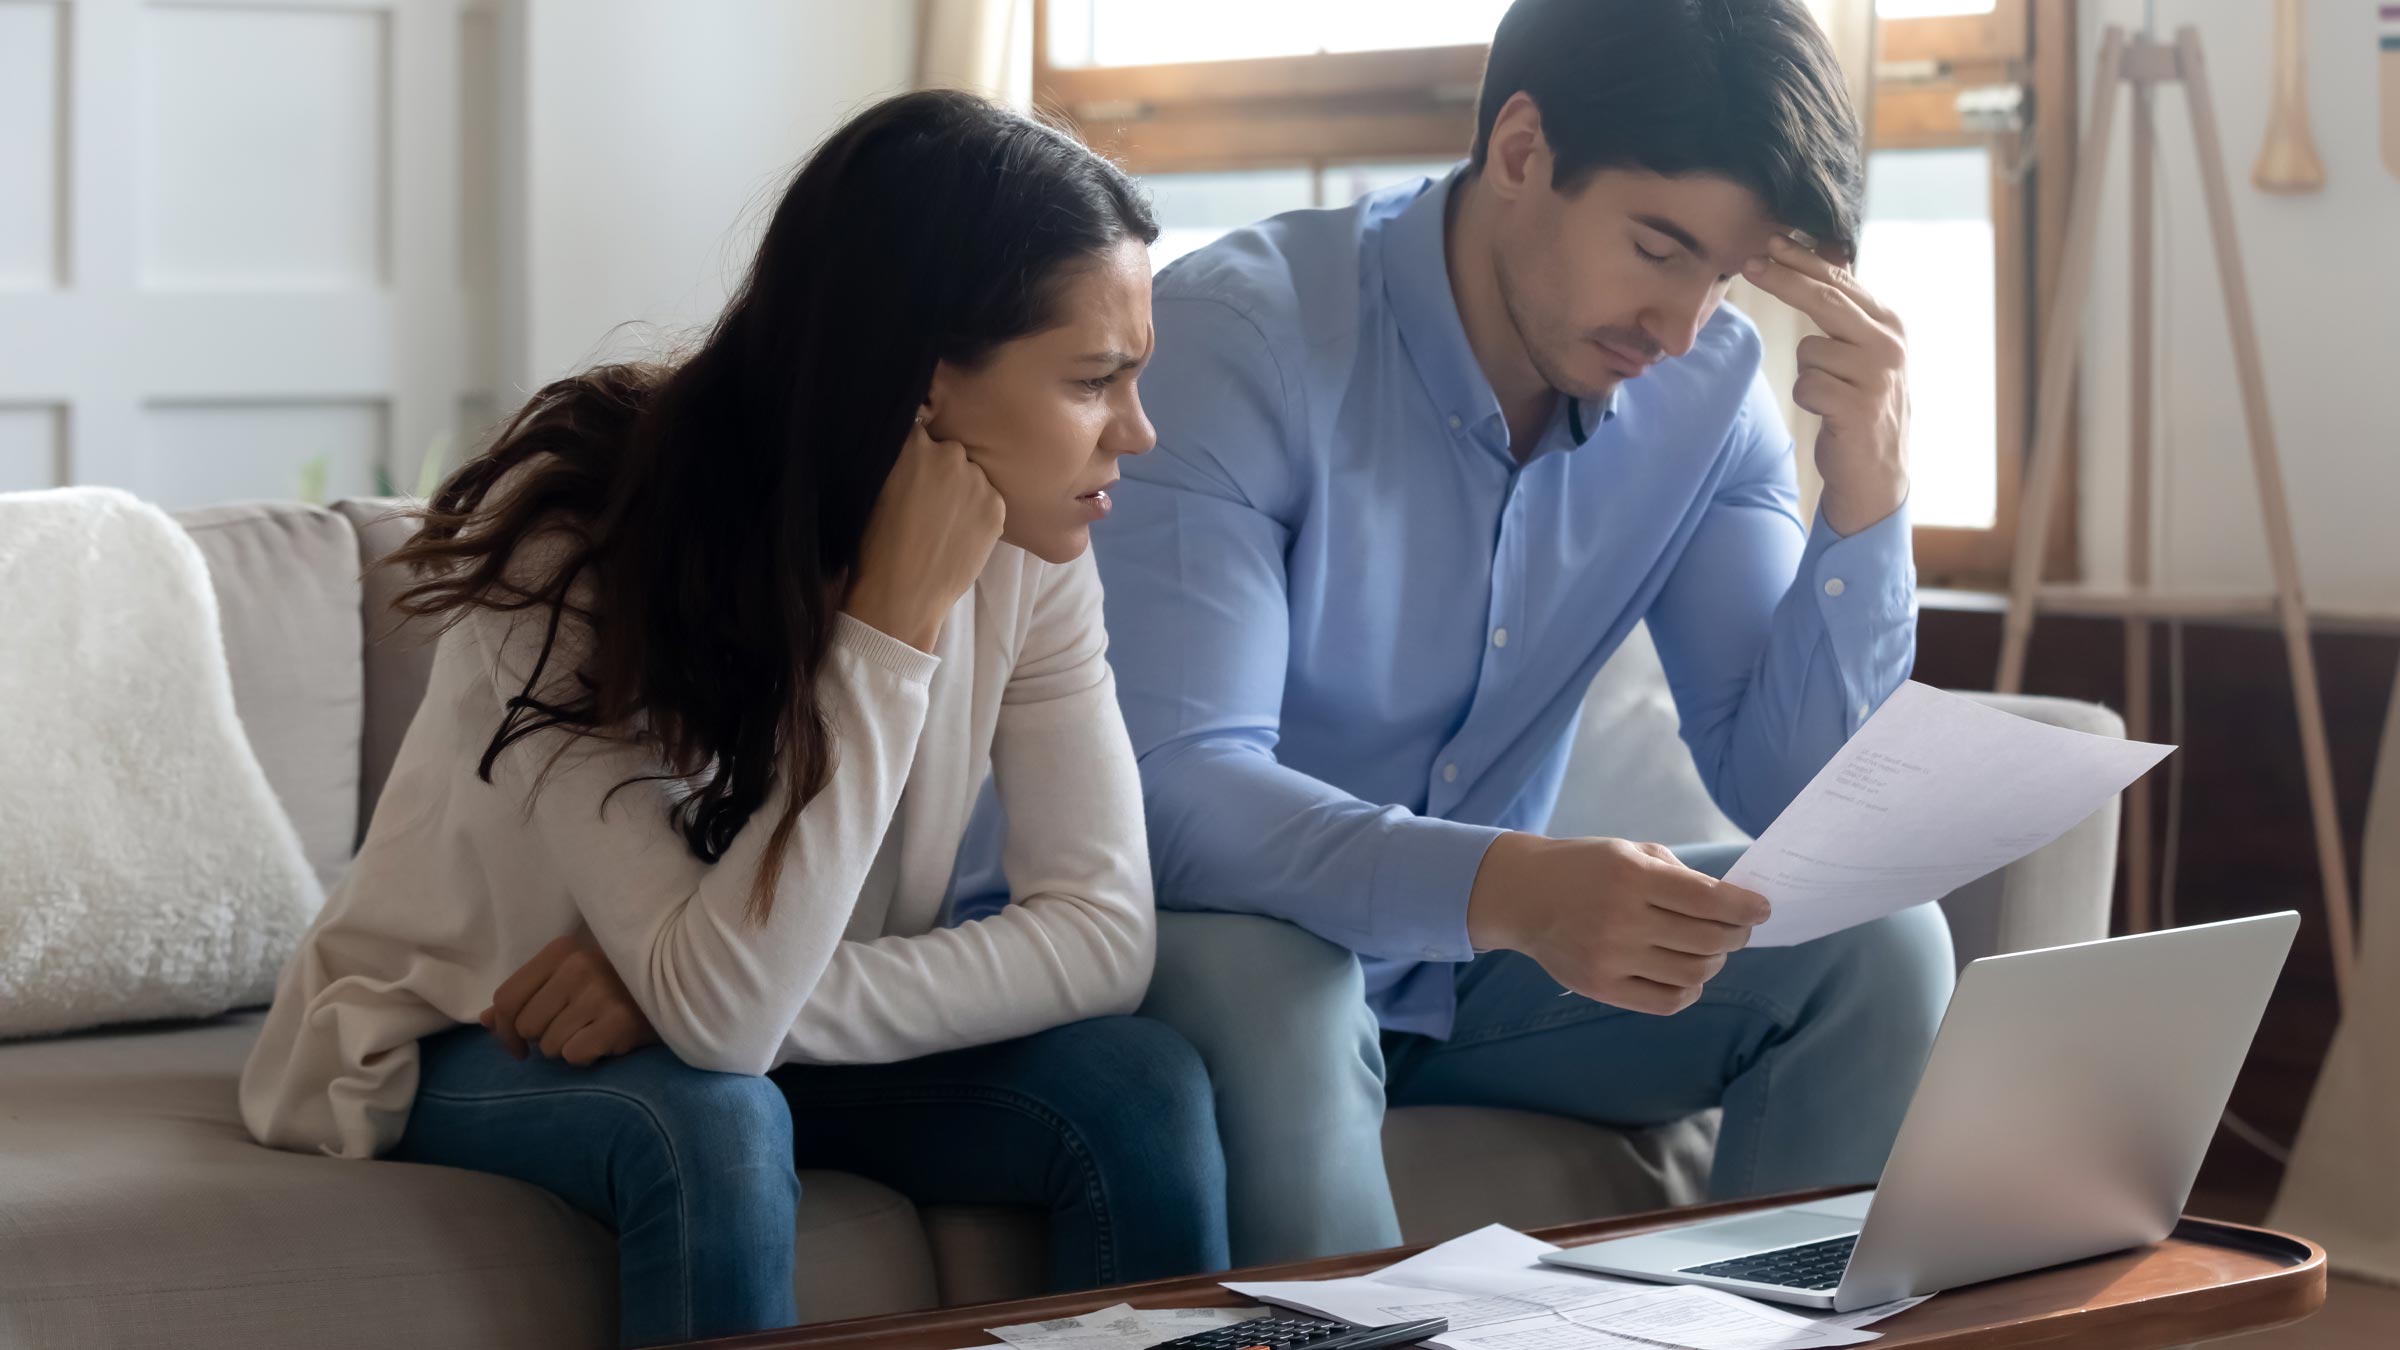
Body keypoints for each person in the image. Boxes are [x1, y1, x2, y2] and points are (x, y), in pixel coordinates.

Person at [950, 0, 1954, 1265]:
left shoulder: (1704, 399)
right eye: (1658, 247)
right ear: (1524, 150)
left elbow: (1806, 806)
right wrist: (1505, 888)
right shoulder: (1241, 337)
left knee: (1877, 943)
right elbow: (1173, 791)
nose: (1685, 326)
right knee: (1291, 986)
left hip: (1460, 971)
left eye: (1726, 273)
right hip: (1196, 942)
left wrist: (1868, 488)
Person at [239, 90, 1225, 1346]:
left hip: (732, 1018)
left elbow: (1099, 937)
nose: (1138, 432)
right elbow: (724, 1032)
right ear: (919, 383)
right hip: (458, 1028)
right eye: (1096, 380)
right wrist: (890, 627)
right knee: (707, 1118)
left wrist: (681, 992)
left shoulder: (1034, 553)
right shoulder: (575, 548)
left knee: (1136, 1086)